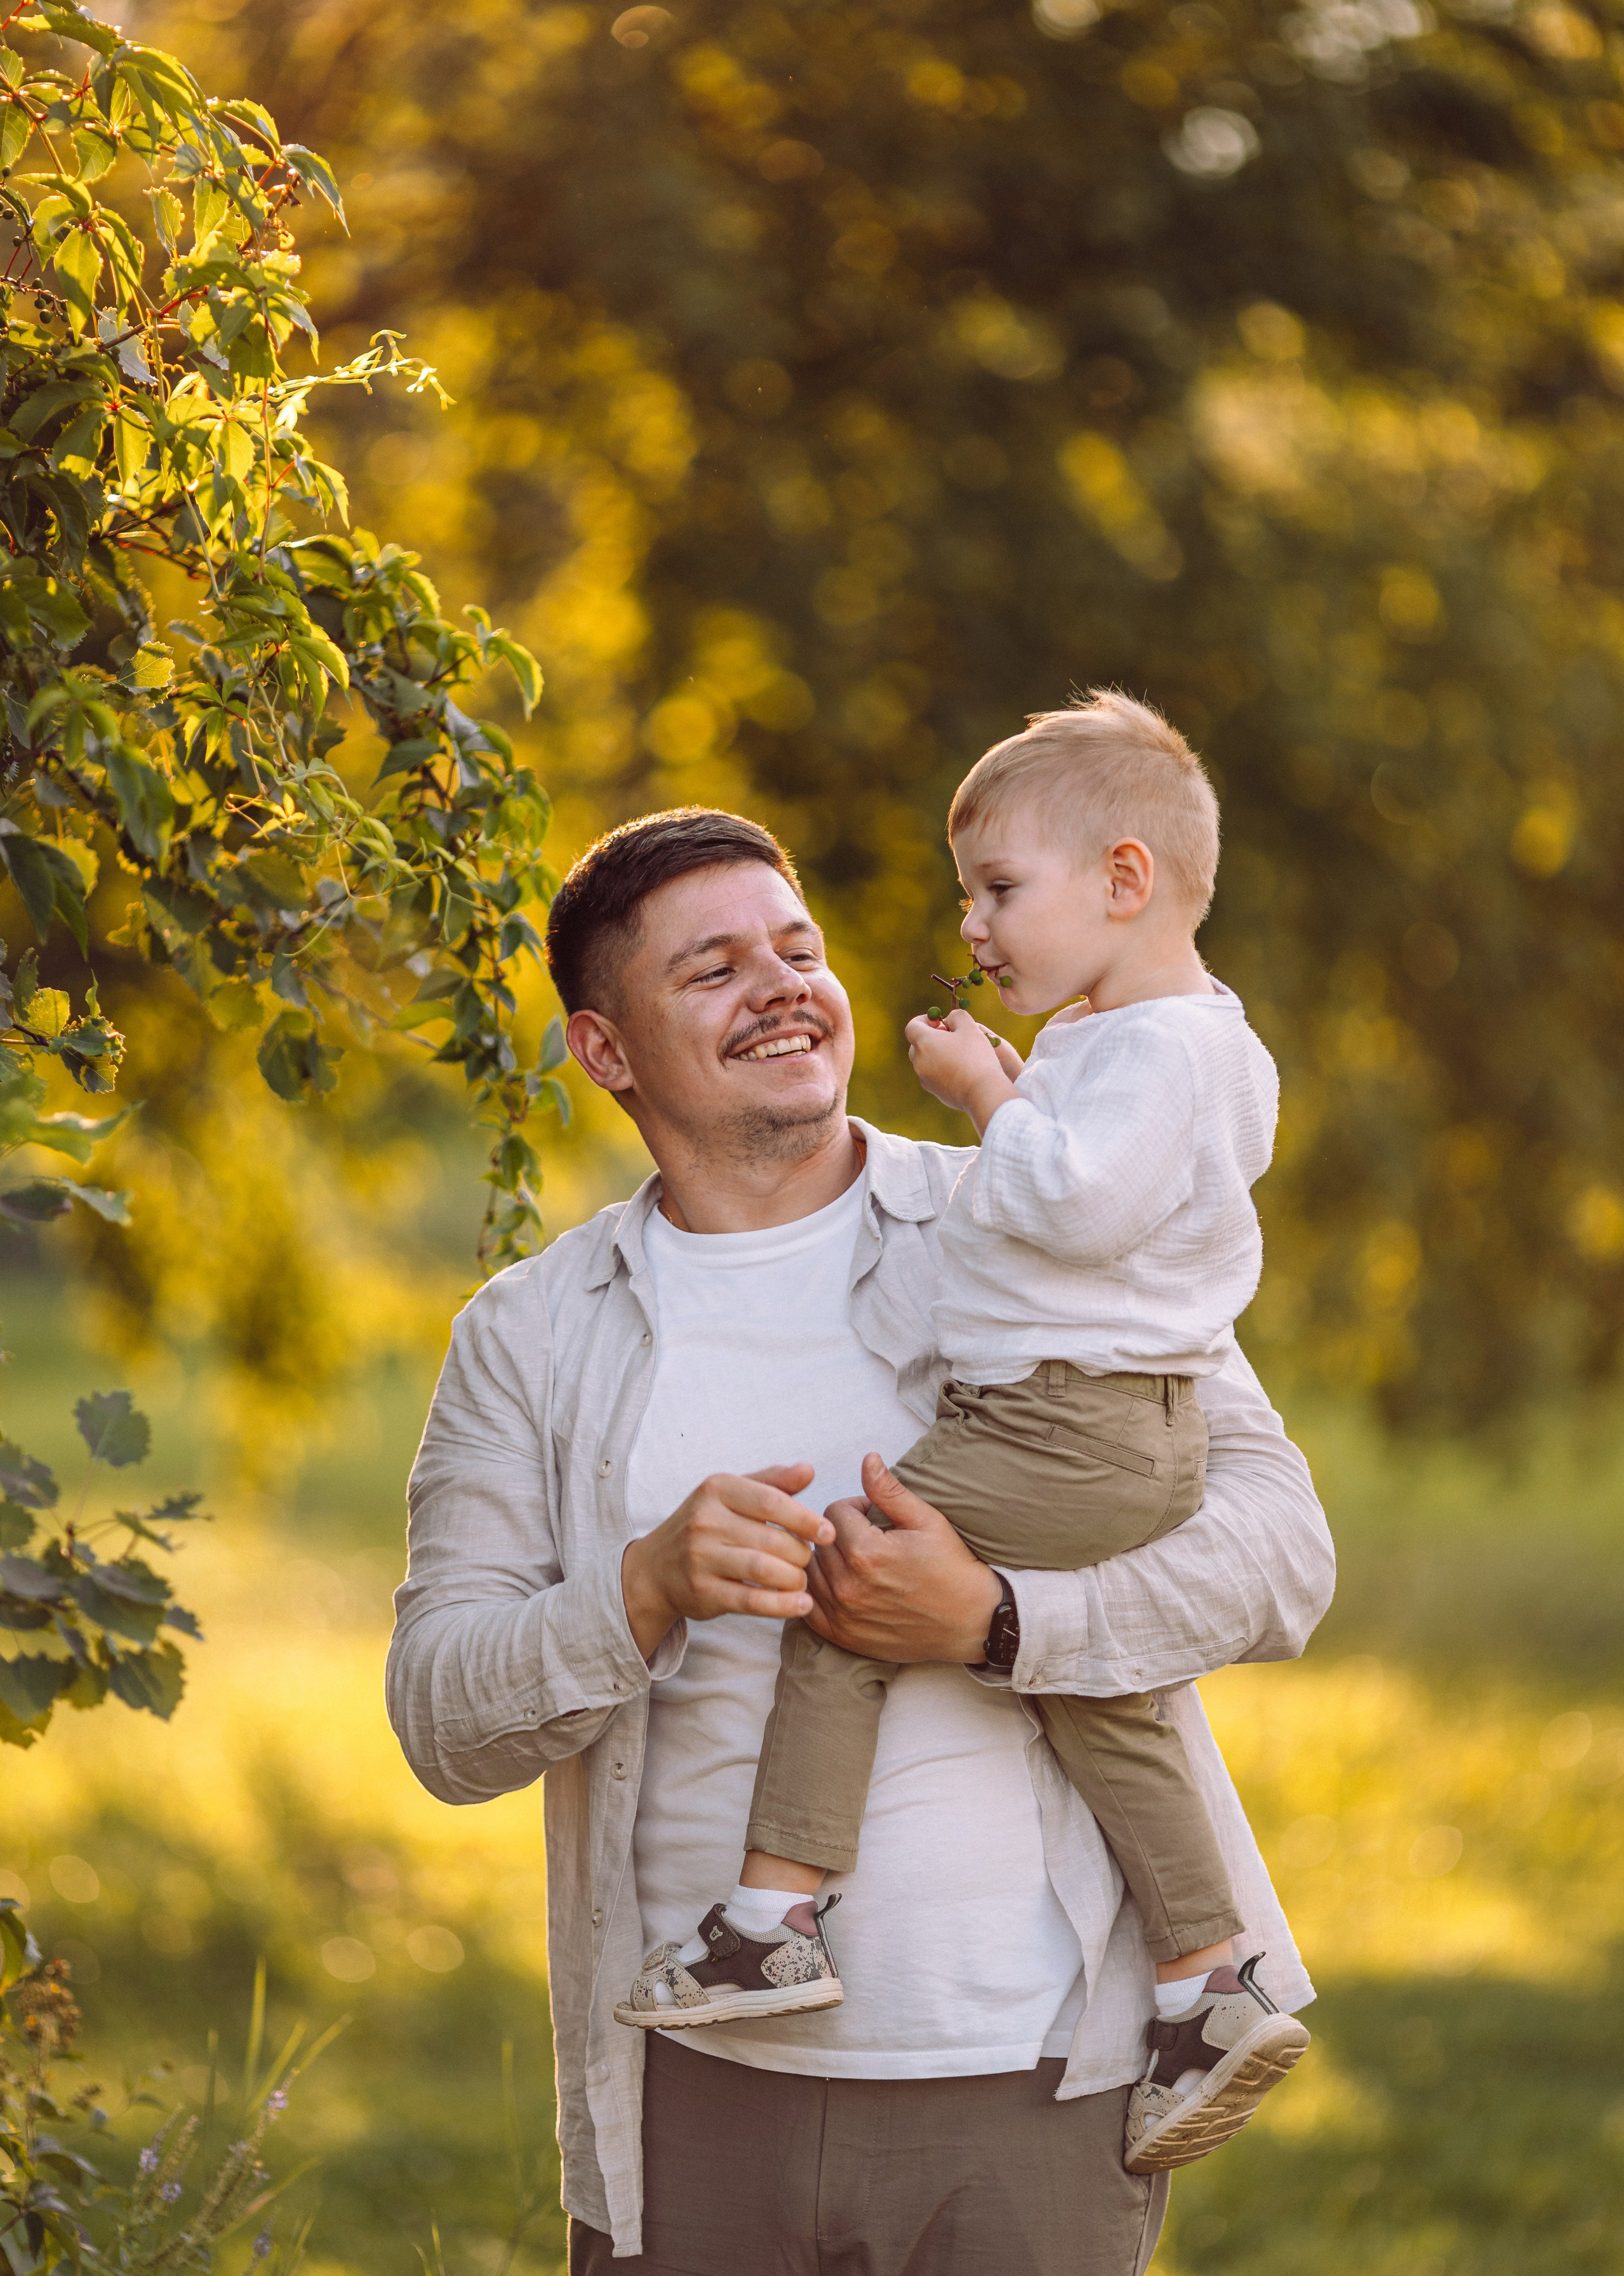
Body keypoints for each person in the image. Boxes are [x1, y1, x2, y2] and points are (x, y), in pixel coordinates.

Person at [386, 802, 1334, 2275]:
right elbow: (443, 1720)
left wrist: (994, 1621)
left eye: (796, 948)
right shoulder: (531, 1333)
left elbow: (1281, 1555)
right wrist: (639, 1589)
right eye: (712, 970)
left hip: (1029, 2090)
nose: (780, 987)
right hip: (692, 2102)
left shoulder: (1027, 1212)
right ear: (605, 1049)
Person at [616, 695, 1309, 2178]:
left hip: (1072, 1418)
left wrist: (990, 1093)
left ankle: (770, 1919)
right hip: (1104, 1424)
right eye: (968, 897)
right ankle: (1207, 1982)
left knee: (851, 1579)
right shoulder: (1140, 1042)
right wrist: (1027, 1079)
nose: (971, 926)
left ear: (1122, 881)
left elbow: (1075, 1205)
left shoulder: (1159, 1052)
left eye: (998, 889)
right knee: (1099, 1699)